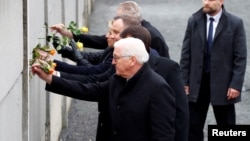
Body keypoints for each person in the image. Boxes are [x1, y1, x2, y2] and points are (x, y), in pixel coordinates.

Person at [58, 25, 189, 141]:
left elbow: (180, 114)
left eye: (122, 39)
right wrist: (53, 74)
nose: (111, 37)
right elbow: (92, 84)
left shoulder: (167, 71)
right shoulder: (118, 68)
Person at [32, 37, 176, 141]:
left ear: (132, 60)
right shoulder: (117, 79)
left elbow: (163, 136)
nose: (113, 62)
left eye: (116, 58)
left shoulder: (158, 89)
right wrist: (50, 79)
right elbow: (87, 90)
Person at [180, 0, 247, 141]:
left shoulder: (235, 23)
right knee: (193, 127)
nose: (206, 2)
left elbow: (240, 57)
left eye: (210, 0)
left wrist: (235, 84)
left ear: (221, 1)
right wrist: (184, 81)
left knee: (227, 128)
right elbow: (186, 54)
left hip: (224, 85)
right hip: (197, 84)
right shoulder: (194, 21)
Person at [51, 1, 170, 58]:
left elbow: (163, 66)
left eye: (119, 18)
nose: (115, 19)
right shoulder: (132, 31)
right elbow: (100, 41)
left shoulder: (153, 37)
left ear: (130, 20)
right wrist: (69, 34)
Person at [53, 15, 140, 75]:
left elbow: (94, 73)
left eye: (115, 32)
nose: (107, 36)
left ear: (129, 36)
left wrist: (51, 65)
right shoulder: (112, 49)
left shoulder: (117, 58)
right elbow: (91, 57)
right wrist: (64, 50)